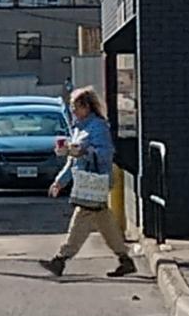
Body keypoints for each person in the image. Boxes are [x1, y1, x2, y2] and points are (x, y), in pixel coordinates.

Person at [38, 87, 136, 278]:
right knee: (104, 221)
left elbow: (106, 154)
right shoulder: (78, 129)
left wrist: (85, 152)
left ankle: (60, 259)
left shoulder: (98, 127)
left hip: (95, 181)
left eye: (75, 106)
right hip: (85, 181)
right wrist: (60, 180)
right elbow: (73, 160)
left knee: (81, 218)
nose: (73, 110)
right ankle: (125, 259)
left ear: (86, 107)